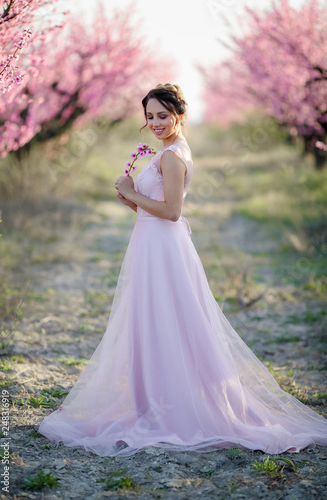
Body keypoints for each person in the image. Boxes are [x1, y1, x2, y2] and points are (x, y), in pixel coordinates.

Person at [38, 83, 327, 457]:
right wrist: (131, 199)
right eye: (150, 117)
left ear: (179, 115)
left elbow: (173, 212)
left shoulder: (172, 156)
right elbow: (152, 212)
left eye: (163, 115)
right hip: (153, 244)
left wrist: (132, 189)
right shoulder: (169, 151)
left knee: (166, 321)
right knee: (155, 321)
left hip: (164, 249)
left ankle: (170, 407)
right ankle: (156, 401)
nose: (155, 123)